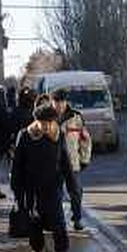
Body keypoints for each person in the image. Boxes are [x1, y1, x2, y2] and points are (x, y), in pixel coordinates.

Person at [10, 104, 78, 252]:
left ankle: (61, 250)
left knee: (57, 218)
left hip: (53, 184)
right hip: (31, 186)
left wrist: (71, 183)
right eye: (43, 123)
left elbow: (65, 162)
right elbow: (17, 164)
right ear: (36, 121)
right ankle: (37, 248)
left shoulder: (58, 135)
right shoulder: (25, 135)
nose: (46, 126)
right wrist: (17, 189)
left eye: (50, 122)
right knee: (35, 219)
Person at [50, 88, 91, 231]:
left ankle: (77, 218)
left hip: (72, 162)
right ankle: (58, 220)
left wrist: (84, 159)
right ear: (52, 102)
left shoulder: (75, 117)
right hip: (53, 163)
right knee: (56, 194)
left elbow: (85, 139)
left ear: (66, 102)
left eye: (61, 101)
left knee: (76, 192)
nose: (59, 105)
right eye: (56, 102)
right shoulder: (47, 117)